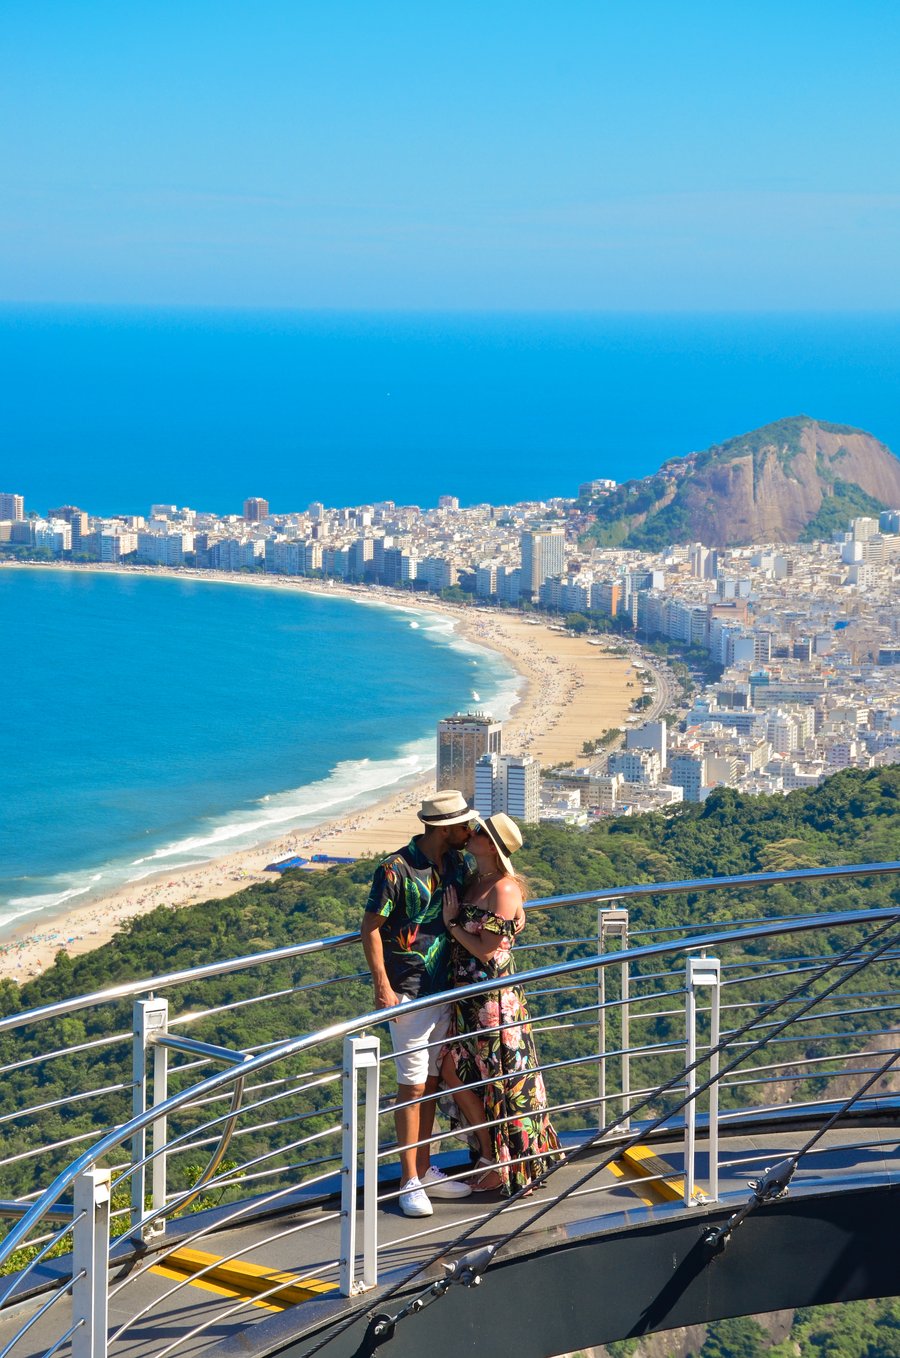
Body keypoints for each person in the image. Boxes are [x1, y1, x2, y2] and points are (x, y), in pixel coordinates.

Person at [361, 790, 477, 1218]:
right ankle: (409, 1179)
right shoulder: (395, 869)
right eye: (464, 825)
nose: (470, 831)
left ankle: (424, 1168)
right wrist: (382, 986)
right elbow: (370, 928)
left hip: (445, 987)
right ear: (445, 828)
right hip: (407, 989)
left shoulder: (458, 865)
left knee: (430, 1081)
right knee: (410, 1086)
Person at [440, 812, 563, 1196]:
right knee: (459, 1071)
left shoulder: (503, 889)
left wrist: (453, 926)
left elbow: (489, 953)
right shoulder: (475, 878)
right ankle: (491, 1154)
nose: (470, 835)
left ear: (491, 846)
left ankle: (502, 1161)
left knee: (499, 1081)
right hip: (466, 996)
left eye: (478, 832)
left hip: (493, 1000)